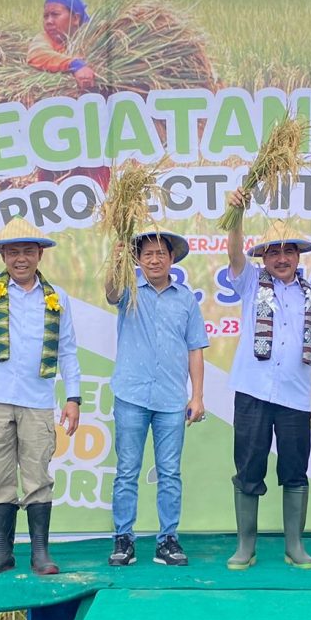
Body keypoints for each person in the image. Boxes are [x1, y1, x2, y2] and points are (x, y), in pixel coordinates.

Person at [222, 189, 311, 571]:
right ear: (264, 258)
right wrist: (236, 214)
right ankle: (246, 547)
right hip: (253, 393)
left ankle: (295, 546)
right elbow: (235, 255)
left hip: (295, 397)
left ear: (299, 257)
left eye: (289, 251)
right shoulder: (252, 284)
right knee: (249, 467)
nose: (282, 258)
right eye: (274, 252)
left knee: (294, 469)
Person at [0, 217, 81, 577]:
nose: (21, 258)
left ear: (40, 254)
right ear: (2, 256)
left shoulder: (56, 298)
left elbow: (68, 350)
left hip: (38, 398)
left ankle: (40, 553)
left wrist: (73, 398)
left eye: (28, 251)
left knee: (37, 475)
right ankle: (2, 552)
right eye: (13, 252)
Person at [104, 231, 208, 566]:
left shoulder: (185, 299)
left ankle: (168, 541)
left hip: (170, 400)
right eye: (147, 254)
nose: (154, 260)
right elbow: (110, 292)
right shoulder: (130, 291)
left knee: (169, 472)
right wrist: (115, 259)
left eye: (161, 253)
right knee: (127, 471)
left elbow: (195, 350)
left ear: (172, 258)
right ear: (138, 259)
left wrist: (198, 396)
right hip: (131, 394)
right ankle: (123, 540)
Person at [27, 0, 97, 90]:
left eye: (55, 14)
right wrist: (75, 65)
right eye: (46, 16)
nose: (48, 21)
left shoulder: (93, 39)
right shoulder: (44, 38)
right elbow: (37, 54)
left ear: (75, 19)